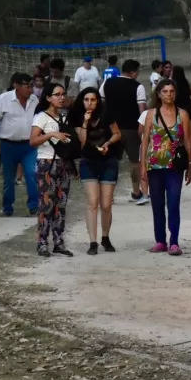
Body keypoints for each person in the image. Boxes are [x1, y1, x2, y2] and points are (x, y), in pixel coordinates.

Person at [140, 79, 191, 255]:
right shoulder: (151, 114)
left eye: (171, 91)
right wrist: (143, 167)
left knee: (173, 203)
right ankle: (160, 240)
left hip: (174, 166)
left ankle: (174, 241)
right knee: (157, 204)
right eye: (165, 91)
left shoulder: (182, 114)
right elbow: (145, 141)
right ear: (159, 94)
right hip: (154, 165)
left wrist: (190, 165)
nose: (168, 95)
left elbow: (186, 141)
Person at [69, 88, 122, 255]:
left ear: (98, 100)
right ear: (82, 101)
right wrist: (85, 122)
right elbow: (82, 142)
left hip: (108, 160)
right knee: (92, 202)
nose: (90, 103)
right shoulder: (77, 117)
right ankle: (92, 241)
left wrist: (107, 144)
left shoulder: (106, 114)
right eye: (86, 100)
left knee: (106, 204)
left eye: (93, 99)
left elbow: (117, 134)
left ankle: (105, 237)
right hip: (88, 162)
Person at [29, 83, 74, 257]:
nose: (61, 97)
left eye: (63, 94)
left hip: (63, 164)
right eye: (57, 94)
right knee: (46, 204)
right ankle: (42, 242)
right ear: (48, 97)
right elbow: (33, 140)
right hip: (46, 163)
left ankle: (58, 241)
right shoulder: (42, 117)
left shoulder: (64, 118)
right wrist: (51, 134)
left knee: (60, 205)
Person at [0, 73, 39, 217]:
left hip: (29, 145)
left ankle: (34, 206)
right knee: (9, 179)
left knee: (31, 174)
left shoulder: (35, 99)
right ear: (16, 85)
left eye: (32, 86)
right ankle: (8, 207)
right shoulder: (4, 99)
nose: (30, 89)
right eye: (27, 86)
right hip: (8, 145)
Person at [100, 59, 148, 204]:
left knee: (111, 161)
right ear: (133, 72)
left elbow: (100, 103)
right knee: (135, 161)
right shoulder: (138, 87)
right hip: (131, 128)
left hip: (111, 128)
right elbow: (142, 110)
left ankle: (109, 195)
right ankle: (135, 191)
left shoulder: (106, 83)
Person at [172, 65, 191, 159]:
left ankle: (185, 154)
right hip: (189, 107)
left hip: (177, 109)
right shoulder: (186, 83)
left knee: (180, 133)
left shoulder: (172, 84)